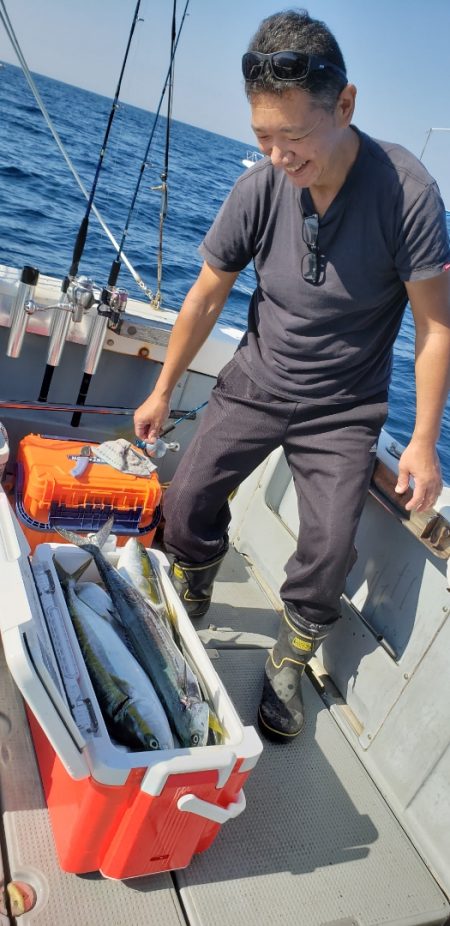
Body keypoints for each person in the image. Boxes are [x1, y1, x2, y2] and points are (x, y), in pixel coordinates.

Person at [135, 10, 450, 742]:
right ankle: (197, 572)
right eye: (262, 138)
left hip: (344, 407)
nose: (278, 156)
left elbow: (436, 328)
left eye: (294, 137)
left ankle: (291, 654)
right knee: (182, 500)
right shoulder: (261, 186)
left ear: (345, 106)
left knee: (331, 546)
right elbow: (208, 292)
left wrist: (425, 440)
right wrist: (159, 390)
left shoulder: (408, 194)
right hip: (257, 376)